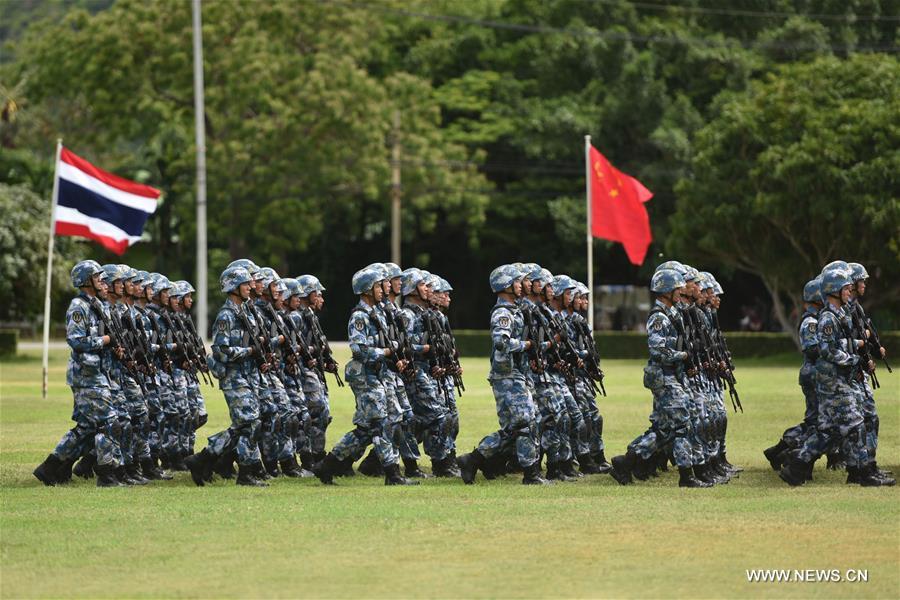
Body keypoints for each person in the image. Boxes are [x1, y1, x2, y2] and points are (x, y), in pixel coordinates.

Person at [313, 265, 417, 485]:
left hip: (379, 374)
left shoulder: (378, 312)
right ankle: (393, 474)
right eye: (379, 286)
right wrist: (387, 351)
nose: (383, 289)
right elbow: (359, 350)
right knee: (380, 424)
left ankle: (326, 466)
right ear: (368, 289)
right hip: (366, 376)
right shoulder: (359, 317)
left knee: (367, 429)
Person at [608, 268, 711, 488]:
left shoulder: (672, 312)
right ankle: (687, 476)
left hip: (674, 376)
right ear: (665, 290)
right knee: (682, 425)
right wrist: (684, 354)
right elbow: (657, 350)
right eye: (676, 289)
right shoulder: (659, 317)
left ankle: (626, 462)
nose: (680, 291)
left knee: (664, 430)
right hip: (665, 378)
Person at [34, 260, 125, 487]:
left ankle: (51, 467)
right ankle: (107, 474)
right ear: (86, 281)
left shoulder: (97, 305)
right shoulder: (79, 307)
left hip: (98, 373)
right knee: (109, 422)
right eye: (97, 278)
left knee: (86, 428)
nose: (102, 281)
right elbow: (76, 341)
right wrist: (104, 340)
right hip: (86, 375)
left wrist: (114, 346)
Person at [457, 265, 547, 485]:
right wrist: (525, 344)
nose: (521, 285)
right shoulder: (503, 313)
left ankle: (473, 459)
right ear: (506, 285)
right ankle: (530, 475)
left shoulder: (516, 308)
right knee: (524, 424)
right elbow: (501, 342)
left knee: (516, 427)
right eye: (517, 282)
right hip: (507, 376)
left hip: (517, 373)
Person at [185, 266, 267, 486]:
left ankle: (202, 459)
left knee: (244, 426)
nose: (250, 287)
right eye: (245, 284)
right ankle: (245, 473)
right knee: (250, 424)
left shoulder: (245, 312)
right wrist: (249, 351)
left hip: (247, 376)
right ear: (233, 287)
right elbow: (221, 350)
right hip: (233, 377)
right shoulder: (227, 316)